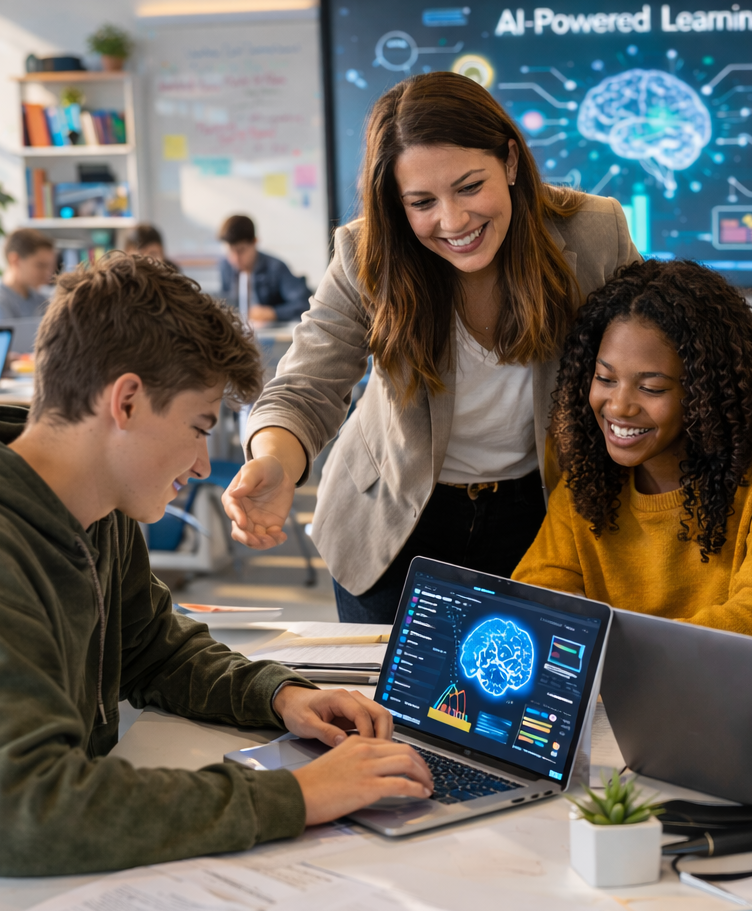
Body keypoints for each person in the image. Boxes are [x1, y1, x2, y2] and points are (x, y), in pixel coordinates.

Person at [0, 254, 432, 911]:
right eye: (198, 426)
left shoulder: (92, 506)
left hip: (9, 875)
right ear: (124, 402)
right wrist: (294, 798)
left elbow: (154, 647)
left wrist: (281, 696)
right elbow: (23, 815)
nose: (197, 465)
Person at [224, 71, 639, 624]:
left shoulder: (593, 231)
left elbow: (654, 350)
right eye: (421, 201)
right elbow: (307, 385)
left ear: (510, 162)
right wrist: (275, 460)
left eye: (470, 187)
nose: (454, 220)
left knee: (514, 705)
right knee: (388, 711)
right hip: (395, 520)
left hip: (538, 515)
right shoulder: (366, 253)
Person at [512, 260, 752, 638]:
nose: (618, 406)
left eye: (652, 388)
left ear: (703, 393)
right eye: (605, 378)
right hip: (626, 694)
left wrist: (597, 642)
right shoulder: (589, 480)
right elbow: (535, 597)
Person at [216, 214, 311, 325]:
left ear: (255, 242)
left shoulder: (276, 267)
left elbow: (303, 303)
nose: (235, 258)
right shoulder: (225, 266)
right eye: (230, 251)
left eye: (241, 250)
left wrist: (273, 313)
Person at [0, 228, 56, 325]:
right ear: (15, 261)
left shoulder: (39, 298)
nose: (48, 273)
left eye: (50, 266)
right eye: (40, 265)